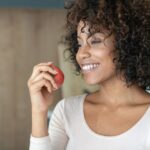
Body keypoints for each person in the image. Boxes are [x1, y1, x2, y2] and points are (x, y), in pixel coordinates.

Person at [27, 0, 150, 149]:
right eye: (79, 44)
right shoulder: (67, 111)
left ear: (127, 43)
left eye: (95, 41)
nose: (81, 53)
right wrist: (39, 111)